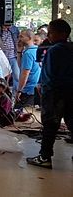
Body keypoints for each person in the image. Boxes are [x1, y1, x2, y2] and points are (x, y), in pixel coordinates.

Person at [27, 19, 73, 169]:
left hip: (54, 94)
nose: (49, 35)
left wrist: (43, 89)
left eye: (51, 32)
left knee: (50, 125)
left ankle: (45, 156)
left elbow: (49, 75)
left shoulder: (54, 51)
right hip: (71, 92)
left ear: (62, 33)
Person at [16, 29, 41, 109]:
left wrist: (19, 90)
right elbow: (21, 66)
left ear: (29, 37)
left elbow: (25, 73)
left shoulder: (28, 53)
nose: (19, 39)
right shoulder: (36, 50)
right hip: (35, 87)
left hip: (28, 89)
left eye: (21, 37)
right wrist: (19, 52)